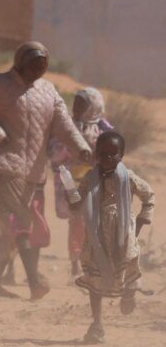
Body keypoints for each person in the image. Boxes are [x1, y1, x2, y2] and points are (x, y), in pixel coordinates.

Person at [0, 42, 91, 300]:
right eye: (33, 66)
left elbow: (64, 125)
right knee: (19, 221)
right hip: (6, 163)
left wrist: (81, 148)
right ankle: (34, 281)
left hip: (35, 169)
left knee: (14, 226)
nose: (37, 71)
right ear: (20, 62)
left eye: (42, 67)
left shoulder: (48, 91)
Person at [73, 131, 154, 344]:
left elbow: (149, 196)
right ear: (96, 155)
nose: (108, 158)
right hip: (97, 237)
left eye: (113, 154)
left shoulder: (128, 177)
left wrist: (143, 219)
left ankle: (129, 292)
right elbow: (77, 200)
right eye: (103, 154)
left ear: (122, 155)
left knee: (127, 266)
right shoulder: (90, 178)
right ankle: (97, 325)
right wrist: (71, 196)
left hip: (124, 235)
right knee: (95, 278)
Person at [50, 88, 113, 278]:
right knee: (77, 220)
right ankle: (76, 262)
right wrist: (72, 152)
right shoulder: (66, 125)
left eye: (82, 104)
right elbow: (54, 150)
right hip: (71, 181)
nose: (77, 107)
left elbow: (113, 150)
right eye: (76, 103)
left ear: (93, 107)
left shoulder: (103, 128)